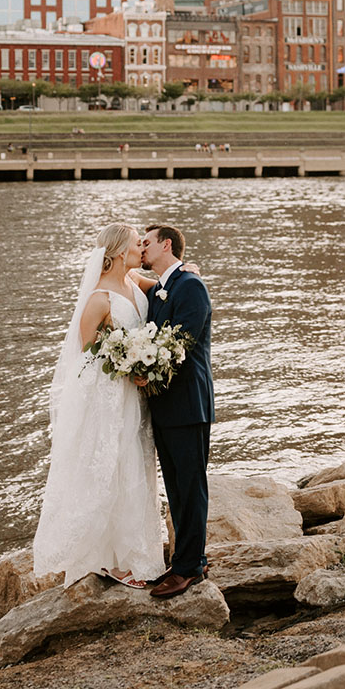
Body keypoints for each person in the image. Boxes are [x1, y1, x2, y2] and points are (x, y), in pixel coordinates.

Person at [32, 224, 165, 589]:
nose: (142, 247)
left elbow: (166, 285)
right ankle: (108, 560)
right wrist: (126, 365)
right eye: (137, 243)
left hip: (134, 395)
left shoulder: (135, 282)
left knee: (136, 463)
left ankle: (134, 554)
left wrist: (187, 271)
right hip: (107, 397)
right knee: (112, 465)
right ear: (120, 251)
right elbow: (86, 356)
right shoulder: (98, 298)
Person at [139, 224, 214, 599]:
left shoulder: (191, 286)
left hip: (188, 405)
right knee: (176, 489)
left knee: (191, 486)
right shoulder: (164, 287)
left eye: (146, 242)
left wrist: (141, 369)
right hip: (165, 407)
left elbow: (181, 345)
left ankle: (190, 567)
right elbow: (131, 277)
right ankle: (186, 559)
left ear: (166, 244)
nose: (141, 247)